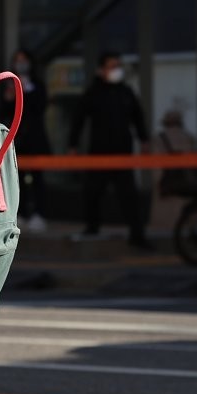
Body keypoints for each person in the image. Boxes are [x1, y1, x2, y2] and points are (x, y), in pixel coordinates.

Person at [68, 52, 152, 249]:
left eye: (118, 66)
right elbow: (79, 118)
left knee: (129, 195)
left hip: (123, 153)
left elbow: (137, 117)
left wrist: (144, 139)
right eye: (112, 66)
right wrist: (73, 145)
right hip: (99, 153)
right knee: (92, 192)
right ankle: (92, 227)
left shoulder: (126, 92)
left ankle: (137, 235)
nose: (116, 70)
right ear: (101, 70)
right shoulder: (94, 93)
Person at [2, 48, 51, 231]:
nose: (21, 63)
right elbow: (4, 111)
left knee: (38, 178)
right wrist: (9, 97)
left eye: (24, 60)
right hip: (16, 139)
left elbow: (40, 108)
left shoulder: (37, 85)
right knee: (17, 178)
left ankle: (40, 213)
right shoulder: (8, 84)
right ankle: (20, 213)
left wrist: (27, 92)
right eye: (17, 60)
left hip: (35, 139)